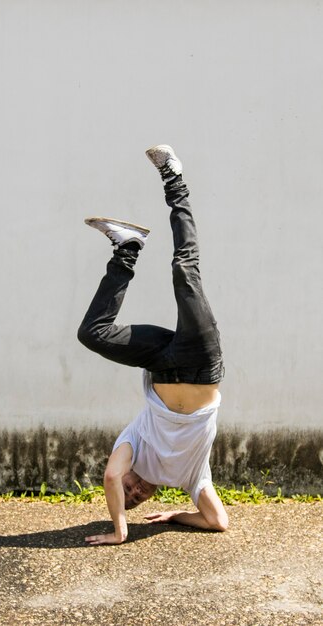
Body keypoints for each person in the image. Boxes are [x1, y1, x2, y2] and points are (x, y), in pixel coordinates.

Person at [77, 145, 229, 546]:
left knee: (92, 334)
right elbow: (218, 521)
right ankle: (175, 179)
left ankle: (126, 248)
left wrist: (120, 528)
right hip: (200, 362)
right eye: (137, 500)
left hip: (161, 363)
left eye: (126, 493)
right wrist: (180, 514)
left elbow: (110, 475)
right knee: (185, 270)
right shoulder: (189, 476)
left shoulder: (130, 446)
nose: (134, 493)